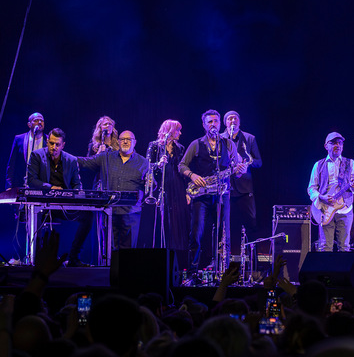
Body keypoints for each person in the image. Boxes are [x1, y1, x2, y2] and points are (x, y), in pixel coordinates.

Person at [179, 110, 245, 271]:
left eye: (215, 121)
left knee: (224, 235)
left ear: (220, 124)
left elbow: (235, 171)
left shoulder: (228, 144)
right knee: (196, 234)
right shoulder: (196, 144)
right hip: (201, 195)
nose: (213, 124)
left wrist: (240, 171)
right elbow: (182, 165)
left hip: (222, 195)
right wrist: (192, 175)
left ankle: (223, 271)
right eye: (209, 122)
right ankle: (193, 271)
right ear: (203, 125)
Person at [25, 128, 93, 266]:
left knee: (88, 215)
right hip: (43, 205)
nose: (54, 147)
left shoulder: (71, 160)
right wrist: (50, 187)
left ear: (63, 145)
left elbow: (77, 184)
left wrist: (76, 194)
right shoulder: (37, 156)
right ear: (47, 142)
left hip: (64, 205)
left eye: (57, 144)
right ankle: (39, 258)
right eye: (51, 143)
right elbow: (31, 180)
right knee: (36, 216)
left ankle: (74, 257)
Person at [76, 130, 148, 249]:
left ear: (135, 142)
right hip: (109, 211)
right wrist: (63, 156)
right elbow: (84, 163)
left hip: (131, 213)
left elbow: (151, 185)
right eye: (122, 139)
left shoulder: (144, 162)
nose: (125, 141)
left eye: (129, 139)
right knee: (109, 251)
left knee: (128, 252)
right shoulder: (106, 157)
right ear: (118, 142)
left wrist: (151, 184)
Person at [145, 119, 190, 270]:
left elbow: (183, 170)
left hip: (178, 187)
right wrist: (158, 164)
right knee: (164, 222)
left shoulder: (180, 148)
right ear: (169, 130)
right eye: (178, 130)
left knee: (179, 224)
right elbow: (147, 166)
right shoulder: (154, 146)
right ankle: (160, 261)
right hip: (162, 187)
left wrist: (187, 192)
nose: (180, 133)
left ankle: (178, 264)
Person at [307, 132, 354, 252]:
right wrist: (321, 197)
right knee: (325, 247)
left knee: (344, 247)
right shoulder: (318, 165)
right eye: (333, 143)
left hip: (345, 209)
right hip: (325, 209)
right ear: (326, 146)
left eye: (340, 143)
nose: (338, 145)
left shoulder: (350, 163)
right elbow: (311, 188)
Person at [223, 111, 263, 263]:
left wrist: (247, 164)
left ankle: (254, 262)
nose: (232, 121)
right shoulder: (220, 138)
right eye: (229, 118)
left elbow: (259, 162)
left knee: (251, 225)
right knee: (224, 226)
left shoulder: (249, 138)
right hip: (225, 188)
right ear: (225, 122)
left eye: (235, 118)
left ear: (239, 122)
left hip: (245, 189)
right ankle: (223, 261)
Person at [5, 112, 45, 189]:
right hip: (22, 185)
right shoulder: (19, 139)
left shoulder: (48, 141)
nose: (40, 122)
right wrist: (8, 186)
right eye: (36, 120)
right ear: (29, 125)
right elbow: (11, 164)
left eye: (42, 120)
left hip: (41, 186)